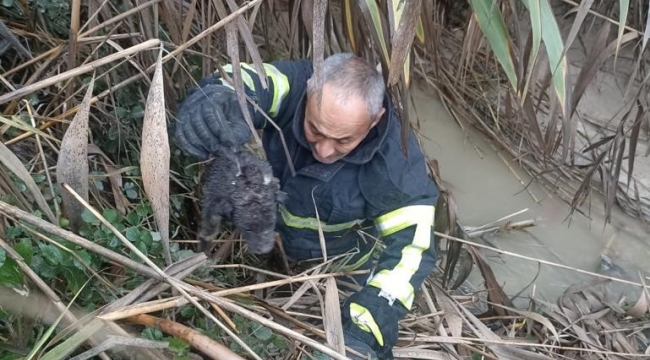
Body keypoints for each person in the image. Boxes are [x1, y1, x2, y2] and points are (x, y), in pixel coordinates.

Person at [174, 53, 439, 359]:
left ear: (375, 120)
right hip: (263, 244)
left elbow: (413, 249)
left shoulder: (397, 166)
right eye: (315, 129)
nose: (324, 150)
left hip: (336, 272)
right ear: (310, 89)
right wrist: (216, 102)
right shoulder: (295, 84)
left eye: (343, 141)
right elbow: (241, 79)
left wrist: (369, 319)